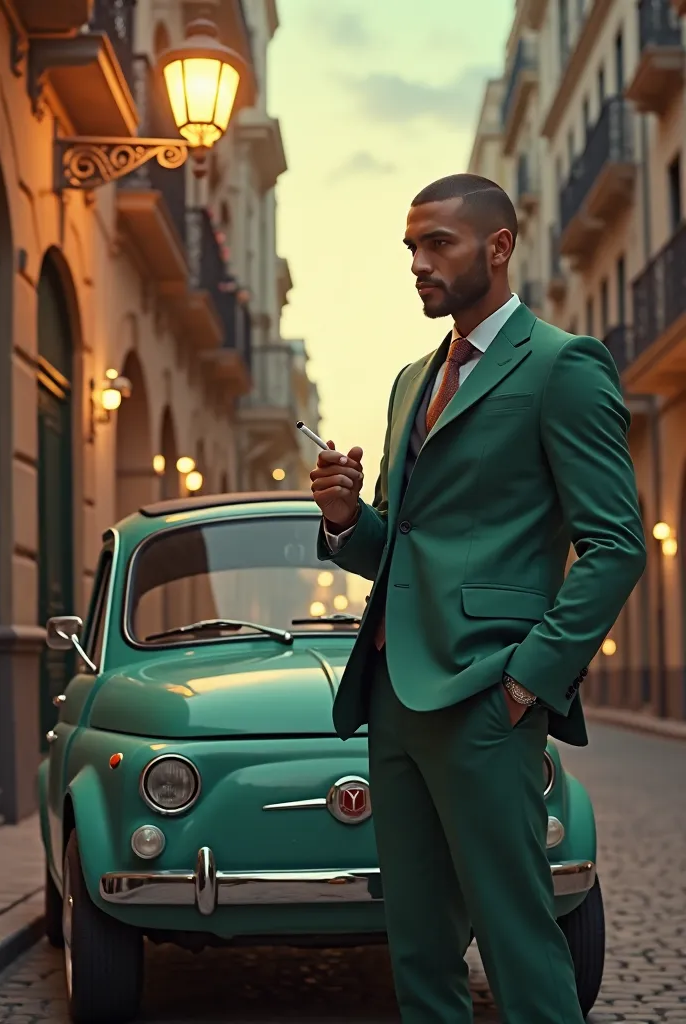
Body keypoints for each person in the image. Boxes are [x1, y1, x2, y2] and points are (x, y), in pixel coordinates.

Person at [310, 173, 646, 1024]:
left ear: (498, 248)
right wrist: (349, 519)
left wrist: (529, 678)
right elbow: (404, 549)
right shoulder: (408, 383)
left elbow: (615, 545)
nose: (419, 264)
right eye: (411, 248)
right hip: (393, 694)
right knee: (418, 947)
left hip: (486, 698)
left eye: (438, 245)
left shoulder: (563, 367)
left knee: (519, 940)